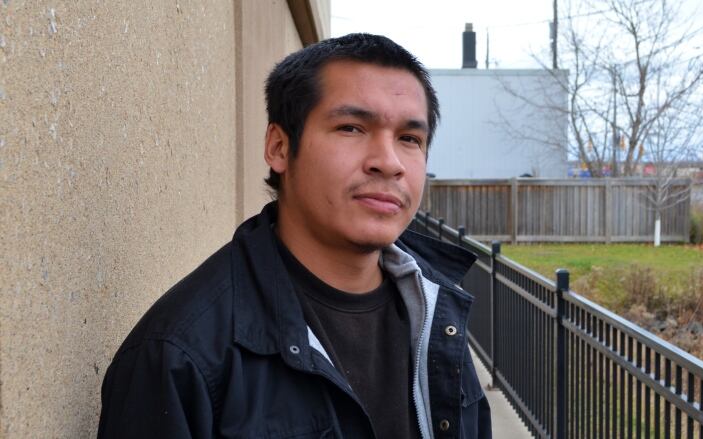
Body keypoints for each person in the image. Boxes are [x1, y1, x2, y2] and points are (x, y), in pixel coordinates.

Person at [98, 33, 491, 439]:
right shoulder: (180, 354)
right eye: (352, 128)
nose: (388, 163)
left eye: (410, 139)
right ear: (279, 147)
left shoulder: (437, 317)